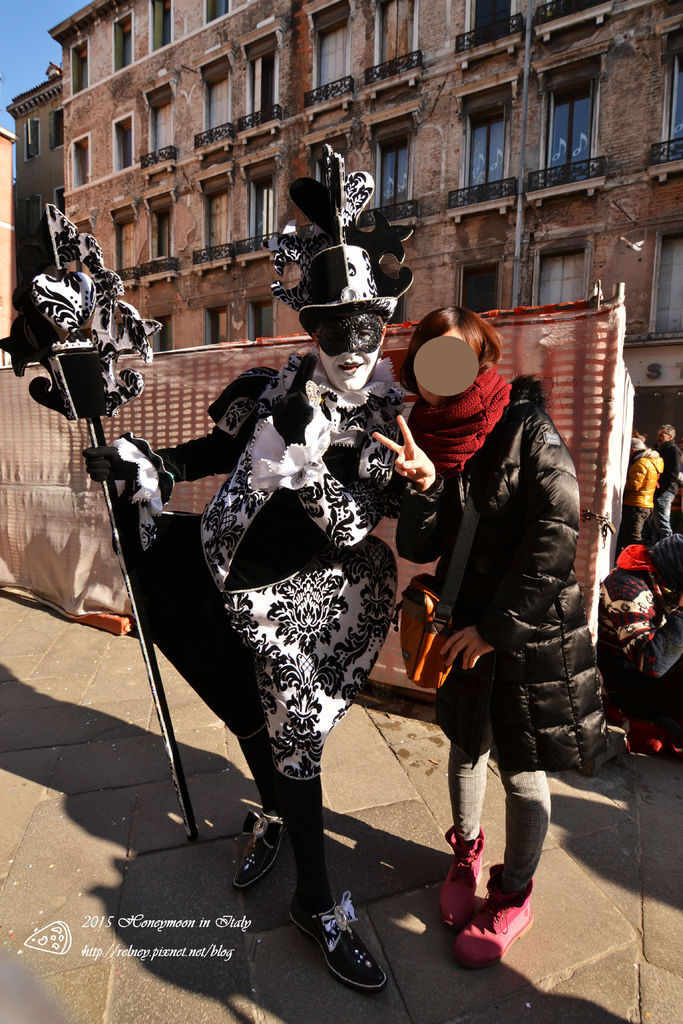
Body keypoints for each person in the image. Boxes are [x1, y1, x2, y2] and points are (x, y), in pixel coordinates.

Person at [84, 146, 412, 992]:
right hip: (222, 579)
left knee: (295, 736)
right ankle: (269, 812)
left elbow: (356, 526)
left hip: (308, 603)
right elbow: (207, 452)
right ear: (311, 326)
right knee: (247, 714)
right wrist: (145, 461)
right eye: (335, 328)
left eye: (366, 329)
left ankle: (315, 900)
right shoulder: (269, 389)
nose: (352, 347)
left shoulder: (382, 422)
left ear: (383, 327)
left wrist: (306, 467)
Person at [374, 307, 607, 969]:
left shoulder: (525, 425)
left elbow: (556, 533)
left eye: (455, 356)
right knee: (464, 744)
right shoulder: (426, 435)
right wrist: (424, 486)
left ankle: (513, 893)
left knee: (523, 771)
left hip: (527, 631)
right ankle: (466, 853)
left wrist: (496, 628)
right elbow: (419, 546)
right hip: (461, 626)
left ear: (480, 360)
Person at [597, 535, 683, 751]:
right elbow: (651, 664)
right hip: (626, 687)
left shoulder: (658, 579)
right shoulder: (627, 587)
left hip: (647, 678)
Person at [615, 431, 663, 556]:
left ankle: (635, 561)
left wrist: (618, 485)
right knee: (634, 536)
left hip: (635, 504)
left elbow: (634, 484)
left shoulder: (641, 463)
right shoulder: (651, 461)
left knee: (633, 538)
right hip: (645, 504)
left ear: (633, 450)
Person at [651, 424, 681, 539]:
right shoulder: (657, 449)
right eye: (658, 435)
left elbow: (674, 474)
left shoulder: (674, 451)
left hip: (665, 491)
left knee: (662, 523)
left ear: (671, 436)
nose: (658, 437)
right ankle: (658, 546)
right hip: (657, 490)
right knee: (655, 523)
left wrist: (662, 490)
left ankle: (670, 545)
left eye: (662, 435)